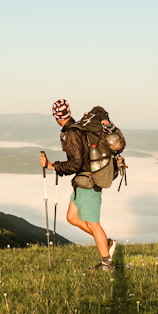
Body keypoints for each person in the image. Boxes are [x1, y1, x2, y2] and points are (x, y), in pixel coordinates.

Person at [40, 99, 116, 271]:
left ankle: (107, 263)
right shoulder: (75, 129)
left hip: (89, 183)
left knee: (93, 224)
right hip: (81, 183)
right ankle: (105, 242)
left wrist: (52, 166)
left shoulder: (73, 133)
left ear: (56, 117)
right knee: (72, 217)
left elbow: (75, 164)